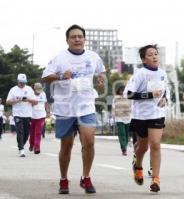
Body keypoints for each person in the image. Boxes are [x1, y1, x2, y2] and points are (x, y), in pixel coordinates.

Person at [42, 24, 106, 194]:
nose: (77, 39)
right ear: (67, 40)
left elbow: (102, 72)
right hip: (65, 108)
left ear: (84, 39)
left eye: (80, 36)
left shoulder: (93, 57)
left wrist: (101, 80)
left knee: (89, 142)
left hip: (86, 106)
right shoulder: (59, 57)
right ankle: (63, 179)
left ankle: (86, 177)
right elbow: (46, 77)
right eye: (73, 37)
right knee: (66, 146)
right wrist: (62, 75)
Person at [124, 44, 169, 192]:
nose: (154, 56)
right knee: (143, 147)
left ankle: (156, 179)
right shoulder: (139, 74)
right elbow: (128, 94)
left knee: (155, 144)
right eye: (150, 55)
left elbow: (165, 92)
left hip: (157, 114)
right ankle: (137, 166)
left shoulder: (163, 73)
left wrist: (165, 100)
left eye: (156, 54)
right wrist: (150, 95)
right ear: (144, 59)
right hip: (141, 116)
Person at [6, 73, 37, 157]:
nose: (23, 84)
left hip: (28, 114)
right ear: (17, 81)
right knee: (20, 131)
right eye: (21, 82)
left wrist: (28, 99)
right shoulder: (13, 90)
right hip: (17, 114)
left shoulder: (29, 89)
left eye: (24, 82)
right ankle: (21, 149)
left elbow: (35, 102)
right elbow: (7, 101)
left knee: (26, 133)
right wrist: (17, 100)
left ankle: (21, 145)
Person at [112, 85, 132, 156]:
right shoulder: (115, 98)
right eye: (121, 90)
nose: (122, 92)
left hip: (128, 118)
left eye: (124, 90)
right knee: (122, 133)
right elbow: (113, 106)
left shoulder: (129, 97)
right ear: (119, 91)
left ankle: (125, 146)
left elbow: (132, 106)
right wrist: (113, 114)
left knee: (126, 133)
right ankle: (124, 148)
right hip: (119, 118)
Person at [29, 83, 47, 154]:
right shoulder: (30, 95)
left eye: (40, 90)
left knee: (38, 132)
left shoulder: (43, 94)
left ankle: (37, 147)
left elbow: (45, 103)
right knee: (32, 132)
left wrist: (47, 111)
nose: (38, 92)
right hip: (32, 116)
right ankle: (31, 144)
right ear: (34, 89)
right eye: (37, 90)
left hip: (41, 116)